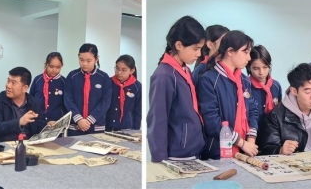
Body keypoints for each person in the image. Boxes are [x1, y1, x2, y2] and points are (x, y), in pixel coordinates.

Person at [147, 16, 206, 162]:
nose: (199, 54)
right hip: (177, 155)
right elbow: (157, 120)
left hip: (192, 150)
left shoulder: (185, 70)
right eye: (196, 49)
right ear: (179, 45)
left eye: (200, 49)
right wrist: (160, 160)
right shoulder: (164, 75)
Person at [197, 31, 259, 160]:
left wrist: (251, 140)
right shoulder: (209, 79)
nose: (249, 58)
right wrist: (242, 143)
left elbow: (252, 109)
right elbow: (212, 121)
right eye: (245, 52)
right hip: (218, 153)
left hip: (243, 151)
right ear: (230, 51)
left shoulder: (244, 80)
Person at [0, 67, 46, 143]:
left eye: (13, 83)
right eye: (8, 81)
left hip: (28, 146)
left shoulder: (34, 103)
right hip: (3, 146)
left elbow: (40, 128)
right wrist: (19, 122)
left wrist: (49, 127)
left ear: (25, 88)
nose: (8, 85)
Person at [64, 44, 112, 136]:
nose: (84, 63)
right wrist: (79, 119)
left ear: (96, 59)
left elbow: (105, 102)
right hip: (75, 126)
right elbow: (68, 99)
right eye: (81, 60)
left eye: (88, 60)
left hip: (97, 126)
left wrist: (89, 120)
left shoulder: (104, 78)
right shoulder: (72, 76)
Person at [246, 45, 282, 125]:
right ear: (249, 67)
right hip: (251, 130)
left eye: (265, 67)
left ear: (269, 66)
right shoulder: (245, 86)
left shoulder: (276, 86)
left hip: (272, 130)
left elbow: (279, 112)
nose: (261, 72)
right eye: (256, 68)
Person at [29, 52, 68, 126]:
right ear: (46, 64)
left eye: (58, 67)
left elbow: (67, 103)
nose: (54, 70)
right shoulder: (37, 80)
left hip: (56, 122)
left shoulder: (64, 82)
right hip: (38, 121)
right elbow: (31, 100)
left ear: (62, 66)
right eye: (51, 67)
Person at [106, 54, 142, 131]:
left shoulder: (137, 87)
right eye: (117, 68)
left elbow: (138, 111)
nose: (119, 72)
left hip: (127, 128)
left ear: (132, 71)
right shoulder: (108, 82)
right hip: (107, 126)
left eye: (124, 70)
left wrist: (136, 131)